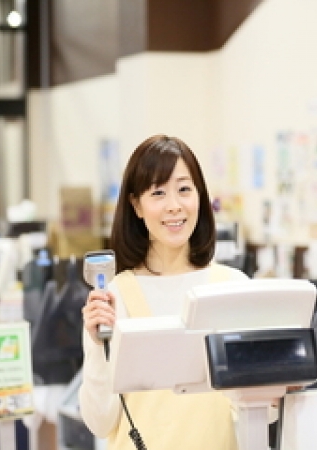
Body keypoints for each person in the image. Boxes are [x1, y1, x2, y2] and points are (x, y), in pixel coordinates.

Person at [79, 134, 249, 450]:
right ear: (136, 205)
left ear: (200, 196)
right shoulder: (114, 297)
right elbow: (100, 423)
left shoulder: (233, 287)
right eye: (158, 192)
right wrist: (95, 345)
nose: (174, 206)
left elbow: (258, 411)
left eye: (184, 189)